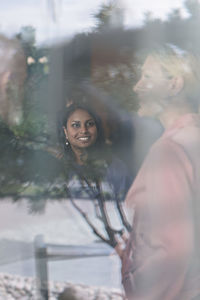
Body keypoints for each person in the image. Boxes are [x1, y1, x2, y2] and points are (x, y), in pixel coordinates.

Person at [117, 45, 200, 300]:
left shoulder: (169, 149)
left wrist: (132, 266)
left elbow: (171, 251)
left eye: (148, 77)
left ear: (174, 85)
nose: (137, 86)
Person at [59, 102, 132, 204]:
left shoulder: (115, 168)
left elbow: (127, 207)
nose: (84, 130)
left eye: (89, 124)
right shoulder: (58, 169)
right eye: (76, 125)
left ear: (97, 129)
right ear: (65, 132)